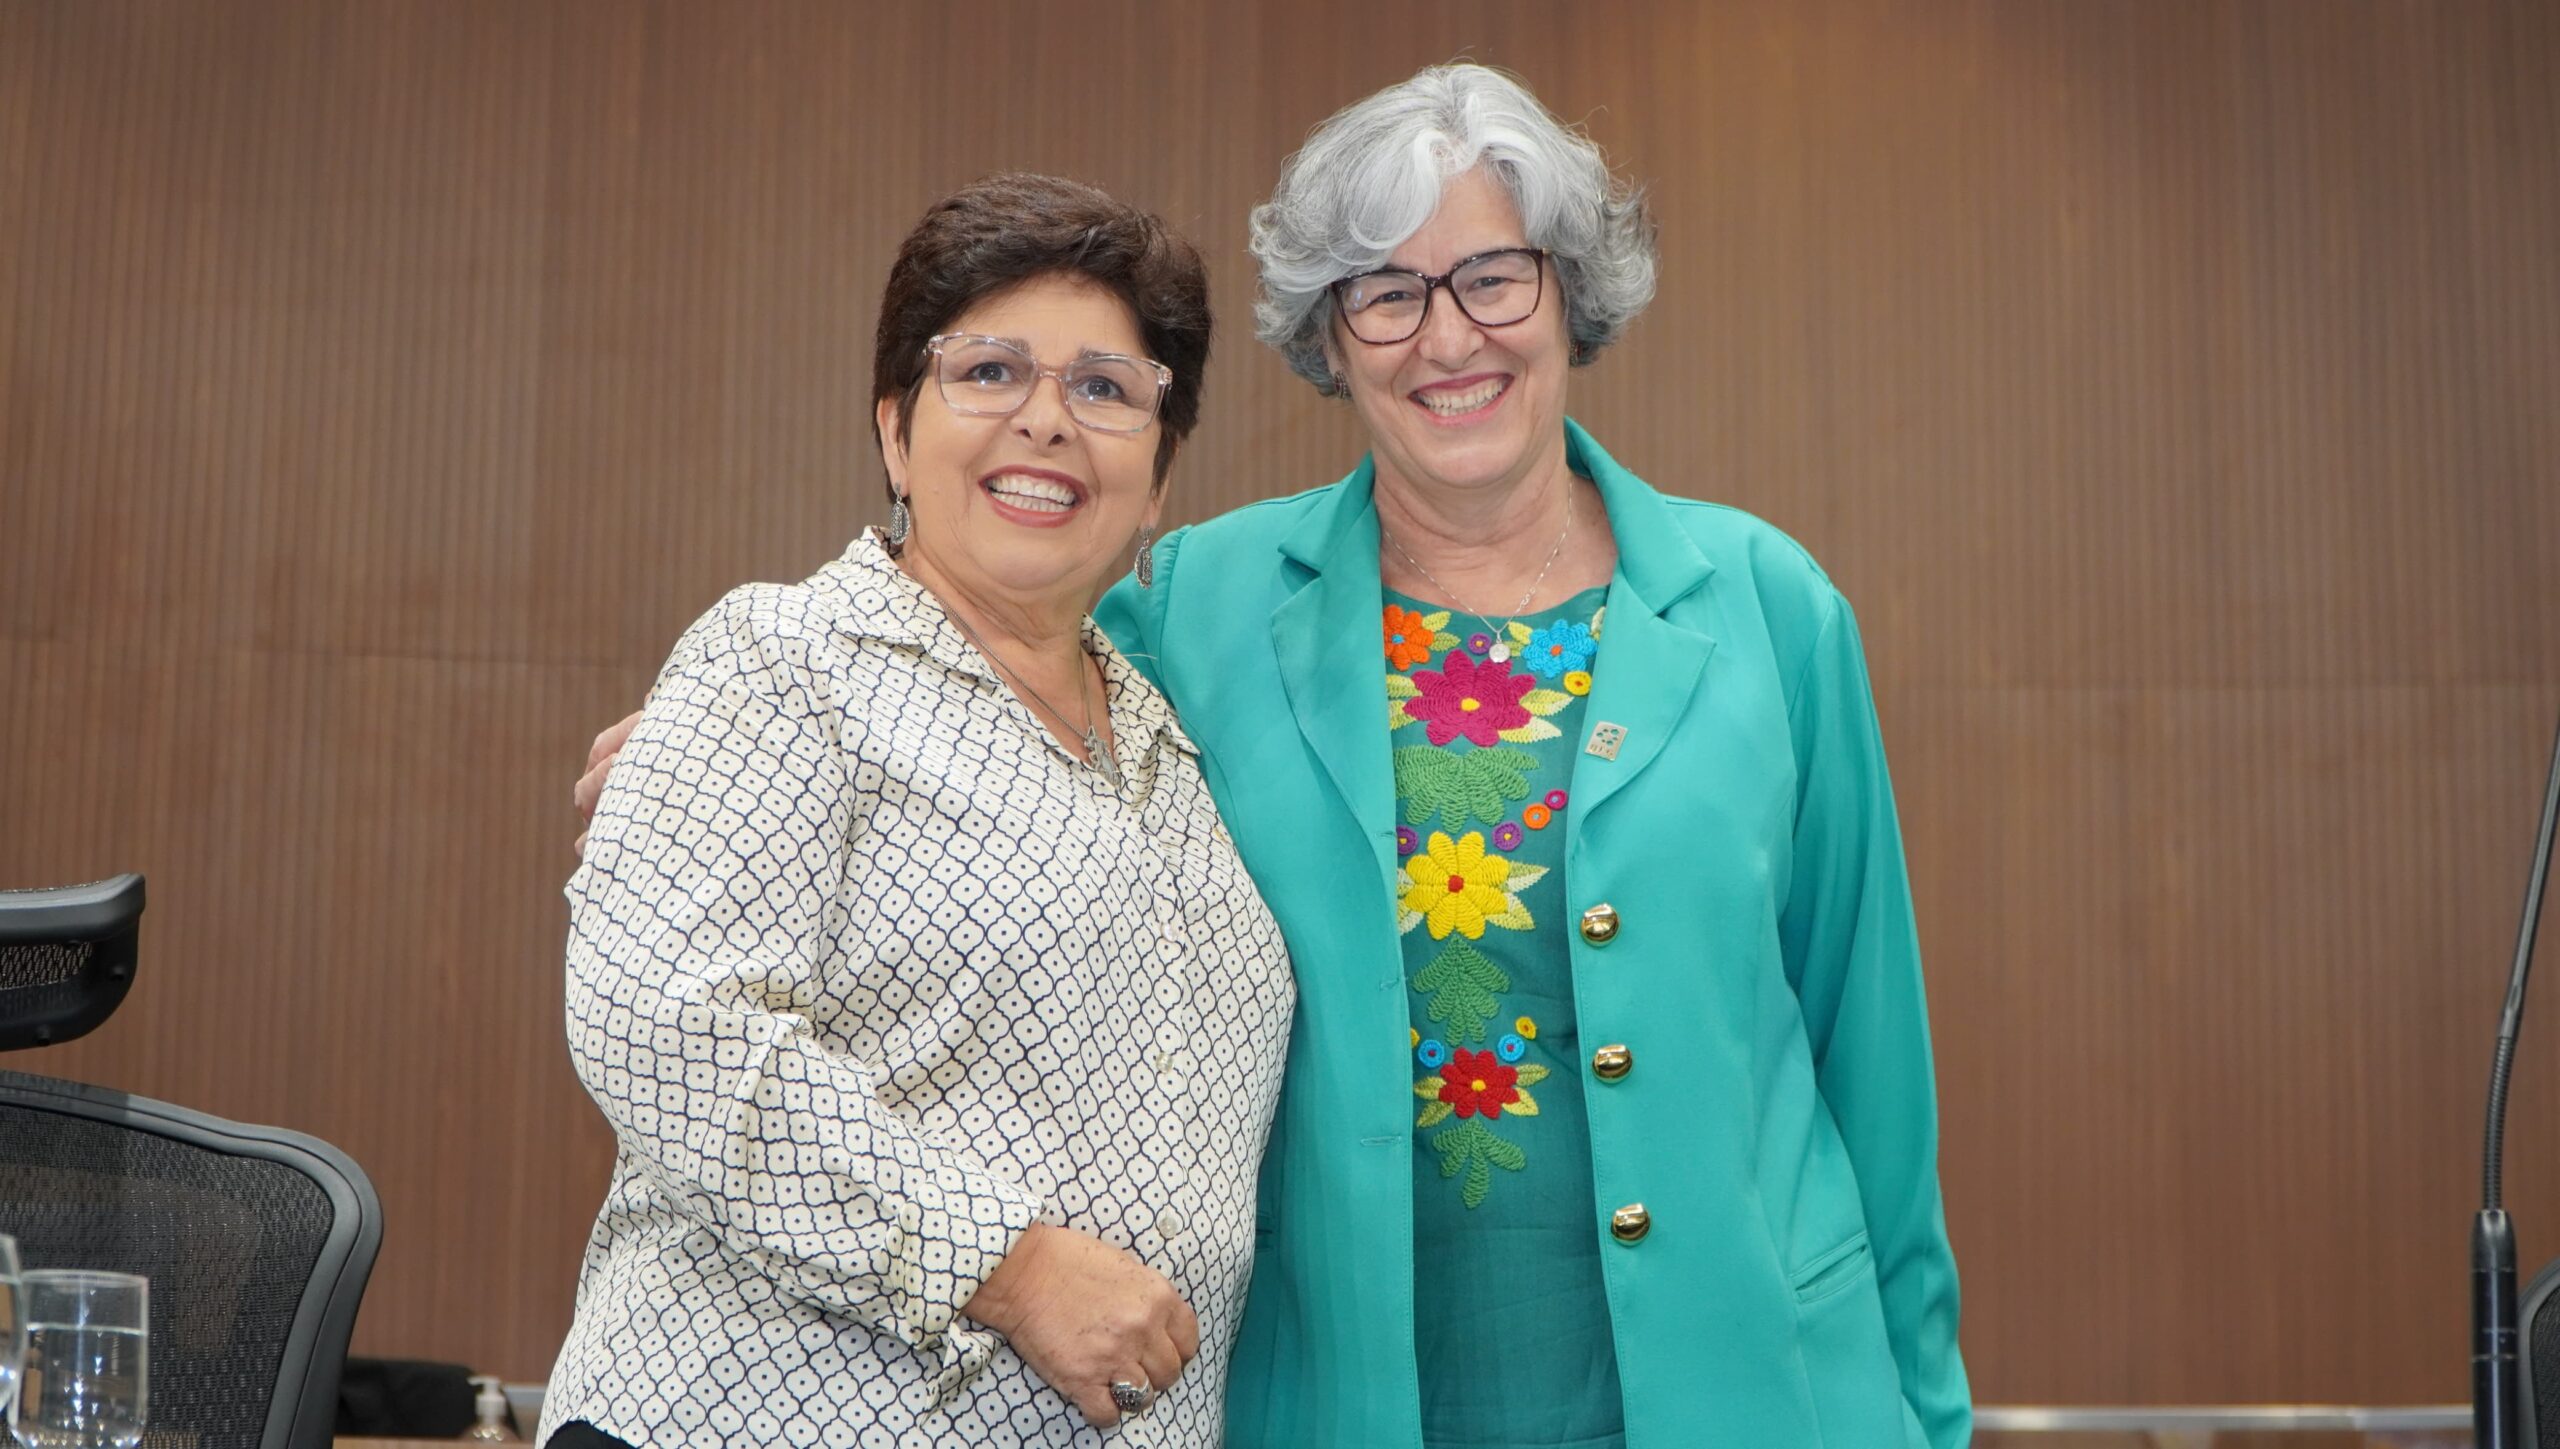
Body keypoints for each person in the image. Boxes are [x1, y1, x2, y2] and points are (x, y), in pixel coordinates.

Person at [581, 63, 1968, 1449]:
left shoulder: (1768, 607)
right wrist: (697, 754)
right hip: (1351, 1396)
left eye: (1496, 277)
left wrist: (1926, 1410)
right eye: (1387, 292)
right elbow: (987, 657)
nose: (1449, 335)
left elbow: (1874, 1069)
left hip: (1764, 1388)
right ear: (1329, 335)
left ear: (1569, 297)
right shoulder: (1198, 608)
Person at [543, 173, 1294, 1449]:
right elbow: (664, 1030)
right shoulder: (782, 661)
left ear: (1159, 475)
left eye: (1105, 388)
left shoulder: (1172, 745)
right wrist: (1011, 1265)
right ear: (895, 431)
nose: (1046, 419)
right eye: (989, 371)